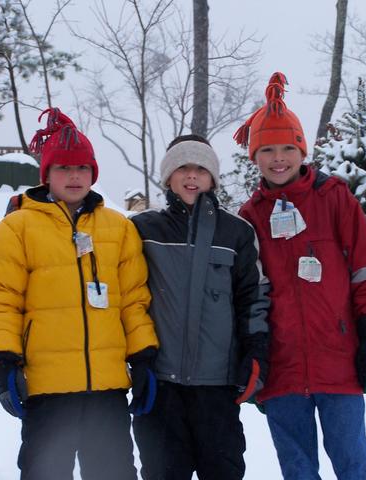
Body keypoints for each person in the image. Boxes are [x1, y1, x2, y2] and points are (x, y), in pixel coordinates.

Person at [0, 108, 159, 480]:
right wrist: (4, 361)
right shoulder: (17, 229)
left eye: (82, 169)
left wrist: (143, 357)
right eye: (64, 168)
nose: (74, 177)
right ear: (47, 174)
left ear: (93, 173)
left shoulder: (118, 229)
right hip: (47, 389)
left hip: (106, 390)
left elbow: (134, 300)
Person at [234, 73, 366, 480]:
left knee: (354, 460)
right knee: (297, 468)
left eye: (287, 148)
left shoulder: (334, 199)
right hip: (282, 369)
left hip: (339, 362)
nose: (278, 158)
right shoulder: (249, 218)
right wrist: (252, 359)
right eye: (267, 150)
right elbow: (243, 295)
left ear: (302, 151)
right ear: (254, 157)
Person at [130, 135, 271, 480]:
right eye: (183, 167)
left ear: (212, 178)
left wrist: (256, 355)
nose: (192, 176)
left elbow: (254, 299)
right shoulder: (142, 229)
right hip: (159, 384)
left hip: (217, 387)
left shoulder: (236, 232)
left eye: (200, 169)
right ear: (168, 176)